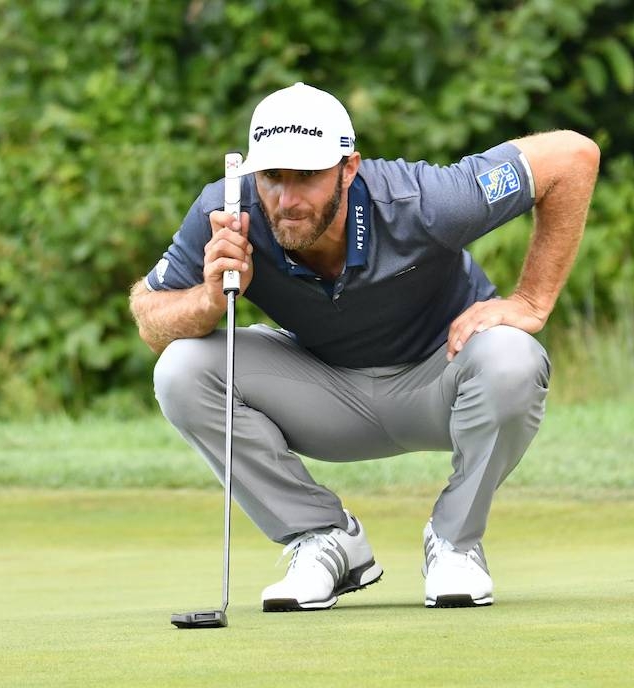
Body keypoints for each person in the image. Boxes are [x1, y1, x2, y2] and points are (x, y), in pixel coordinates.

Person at [130, 82, 599, 611]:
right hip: (323, 393)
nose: (286, 200)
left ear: (348, 169)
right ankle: (324, 539)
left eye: (306, 177)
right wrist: (209, 299)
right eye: (272, 177)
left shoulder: (424, 202)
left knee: (513, 356)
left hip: (441, 381)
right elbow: (150, 317)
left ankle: (454, 543)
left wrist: (532, 301)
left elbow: (572, 157)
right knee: (180, 369)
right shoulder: (228, 210)